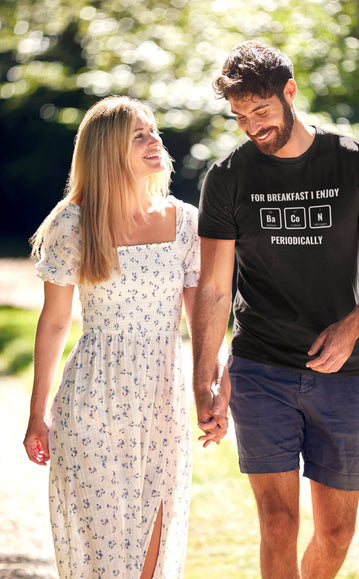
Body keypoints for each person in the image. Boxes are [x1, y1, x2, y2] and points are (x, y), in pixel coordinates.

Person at [192, 41, 359, 578]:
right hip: (260, 367)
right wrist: (205, 378)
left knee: (336, 535)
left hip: (341, 373)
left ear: (290, 92)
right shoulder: (228, 177)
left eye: (260, 111)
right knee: (279, 522)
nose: (251, 127)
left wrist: (351, 327)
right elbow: (215, 289)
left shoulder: (354, 161)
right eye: (240, 117)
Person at [23, 95, 221, 579]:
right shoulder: (72, 223)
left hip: (161, 398)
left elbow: (203, 321)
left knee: (152, 545)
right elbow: (53, 323)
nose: (155, 141)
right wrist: (36, 414)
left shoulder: (185, 223)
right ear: (109, 150)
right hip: (92, 398)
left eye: (154, 131)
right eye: (140, 135)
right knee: (105, 554)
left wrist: (212, 389)